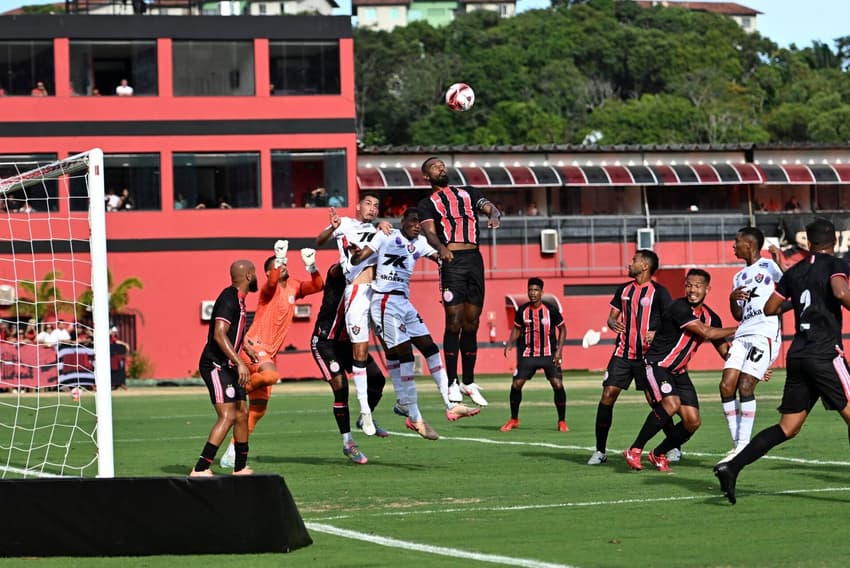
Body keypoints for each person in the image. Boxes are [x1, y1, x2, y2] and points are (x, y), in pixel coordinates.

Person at [715, 217, 850, 504]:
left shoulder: (795, 272)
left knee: (788, 427)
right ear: (835, 241)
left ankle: (733, 466)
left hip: (798, 355)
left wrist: (802, 300)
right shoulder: (837, 266)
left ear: (809, 243)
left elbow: (771, 306)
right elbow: (840, 291)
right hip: (825, 352)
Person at [350, 207, 481, 440]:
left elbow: (439, 256)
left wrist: (452, 257)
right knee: (405, 355)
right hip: (385, 301)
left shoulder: (420, 242)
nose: (416, 225)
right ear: (402, 221)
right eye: (412, 221)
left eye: (419, 222)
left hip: (404, 302)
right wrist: (356, 254)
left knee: (431, 349)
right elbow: (359, 257)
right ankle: (415, 416)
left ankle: (450, 404)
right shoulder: (386, 235)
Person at [219, 241, 323, 468]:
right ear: (268, 272)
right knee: (271, 376)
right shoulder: (268, 288)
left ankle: (231, 451)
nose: (283, 267)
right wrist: (280, 258)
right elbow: (273, 281)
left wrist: (312, 265)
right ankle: (234, 390)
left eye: (283, 264)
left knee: (259, 408)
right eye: (277, 265)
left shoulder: (294, 286)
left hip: (269, 353)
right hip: (254, 345)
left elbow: (318, 285)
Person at [623, 268, 737, 472]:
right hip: (657, 365)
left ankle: (658, 453)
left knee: (692, 422)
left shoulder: (712, 317)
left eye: (698, 286)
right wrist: (743, 328)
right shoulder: (678, 307)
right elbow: (706, 332)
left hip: (679, 372)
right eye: (689, 285)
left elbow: (726, 352)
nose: (692, 290)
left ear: (707, 289)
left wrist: (753, 367)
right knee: (671, 403)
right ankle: (635, 449)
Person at [417, 156, 502, 408]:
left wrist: (495, 215)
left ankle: (469, 381)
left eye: (442, 164)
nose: (441, 168)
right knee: (453, 321)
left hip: (474, 259)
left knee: (472, 322)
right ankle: (452, 381)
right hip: (452, 260)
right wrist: (441, 248)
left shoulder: (468, 192)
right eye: (435, 166)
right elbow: (430, 232)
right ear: (426, 176)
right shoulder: (427, 203)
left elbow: (490, 207)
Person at [587, 250, 673, 465]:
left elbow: (671, 321)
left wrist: (657, 333)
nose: (630, 263)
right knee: (608, 395)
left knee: (656, 402)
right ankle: (599, 451)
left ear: (644, 266)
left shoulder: (660, 293)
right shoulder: (623, 290)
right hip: (623, 354)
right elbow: (612, 316)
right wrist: (611, 322)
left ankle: (673, 446)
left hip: (648, 357)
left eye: (634, 260)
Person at [316, 194, 391, 437]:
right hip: (357, 290)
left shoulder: (378, 230)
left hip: (378, 292)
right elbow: (318, 241)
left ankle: (401, 405)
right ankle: (365, 413)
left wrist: (382, 227)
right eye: (369, 203)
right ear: (358, 206)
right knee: (359, 352)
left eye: (377, 205)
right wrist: (332, 230)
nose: (373, 208)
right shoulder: (345, 223)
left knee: (393, 350)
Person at [310, 262, 390, 464]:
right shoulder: (340, 272)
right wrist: (350, 258)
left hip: (347, 344)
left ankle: (366, 416)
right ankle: (348, 443)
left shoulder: (368, 285)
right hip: (325, 343)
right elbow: (336, 269)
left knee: (377, 380)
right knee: (341, 387)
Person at [717, 227, 785, 462]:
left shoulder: (769, 266)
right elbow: (738, 315)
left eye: (737, 242)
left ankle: (743, 445)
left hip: (764, 333)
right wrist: (731, 299)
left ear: (750, 244)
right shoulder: (738, 276)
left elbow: (792, 286)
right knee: (726, 386)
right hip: (743, 333)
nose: (733, 246)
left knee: (745, 386)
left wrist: (781, 262)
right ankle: (739, 444)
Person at [189, 259, 258, 477]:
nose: (256, 278)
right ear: (248, 276)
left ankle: (240, 467)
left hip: (229, 365)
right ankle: (200, 468)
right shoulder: (229, 298)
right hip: (215, 364)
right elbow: (219, 334)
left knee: (242, 413)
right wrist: (240, 363)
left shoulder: (239, 300)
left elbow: (233, 332)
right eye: (255, 273)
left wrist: (246, 348)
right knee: (227, 414)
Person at [501, 277, 568, 432]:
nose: (532, 293)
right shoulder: (522, 310)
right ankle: (514, 419)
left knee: (557, 385)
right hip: (528, 354)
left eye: (536, 290)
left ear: (541, 292)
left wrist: (559, 351)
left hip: (549, 354)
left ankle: (562, 421)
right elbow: (517, 328)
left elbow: (563, 329)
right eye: (530, 290)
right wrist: (510, 343)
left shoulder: (551, 310)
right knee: (516, 384)